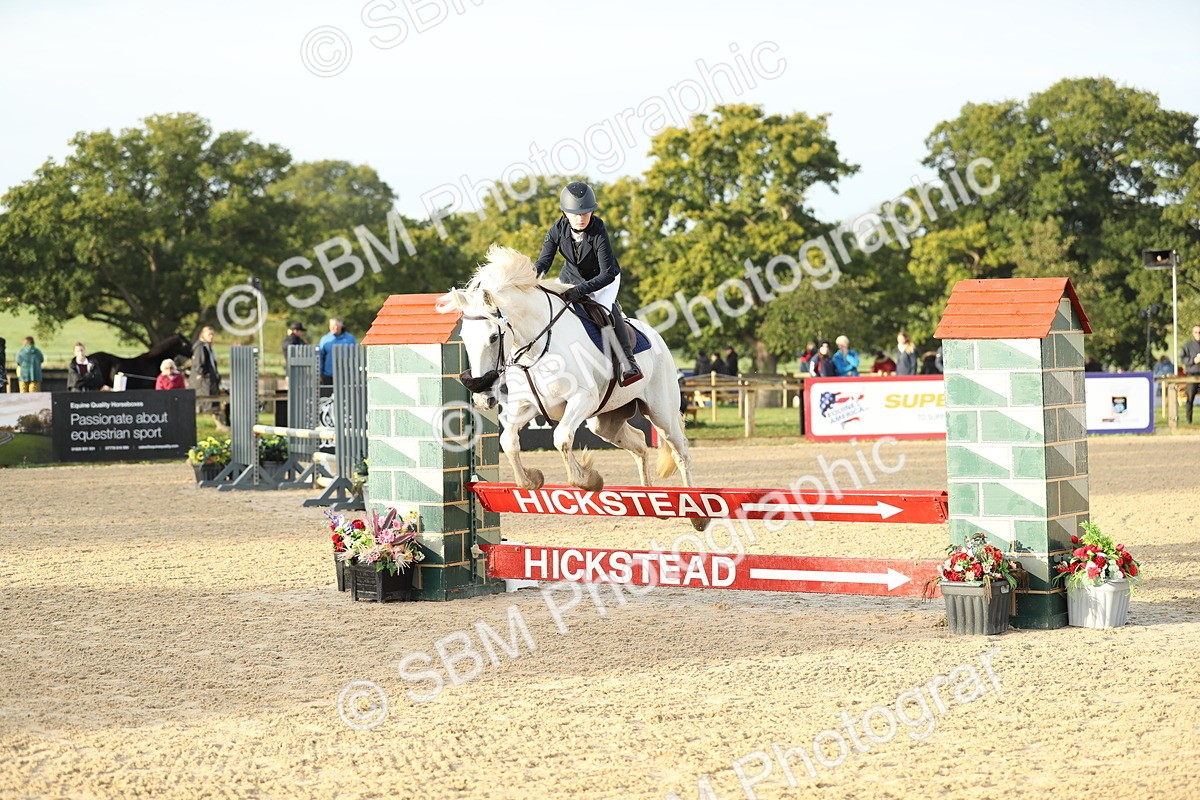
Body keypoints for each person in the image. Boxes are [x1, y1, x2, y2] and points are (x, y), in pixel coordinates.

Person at [534, 181, 641, 386]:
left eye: (585, 213)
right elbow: (544, 262)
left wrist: (581, 290)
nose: (581, 218)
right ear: (565, 214)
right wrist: (527, 279)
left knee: (605, 310)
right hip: (571, 278)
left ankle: (629, 361)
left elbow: (606, 274)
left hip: (604, 279)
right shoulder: (556, 230)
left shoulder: (598, 229)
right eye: (576, 214)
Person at [319, 318, 358, 384]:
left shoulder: (350, 339)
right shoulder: (325, 339)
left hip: (346, 375)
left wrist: (354, 372)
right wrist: (320, 373)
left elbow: (355, 356)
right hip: (328, 375)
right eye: (331, 326)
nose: (333, 328)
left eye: (335, 325)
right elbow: (320, 357)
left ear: (341, 326)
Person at [189, 325, 221, 397]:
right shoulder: (200, 347)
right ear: (203, 335)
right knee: (206, 406)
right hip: (203, 385)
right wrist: (208, 377)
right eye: (209, 334)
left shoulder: (207, 347)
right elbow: (198, 366)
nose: (211, 336)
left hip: (209, 384)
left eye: (212, 334)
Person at [1182, 324, 1200, 424]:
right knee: (1190, 398)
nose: (1198, 334)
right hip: (1192, 374)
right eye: (1196, 332)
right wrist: (1193, 360)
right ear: (1193, 333)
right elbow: (1183, 358)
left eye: (1199, 332)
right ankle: (1189, 420)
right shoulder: (1187, 346)